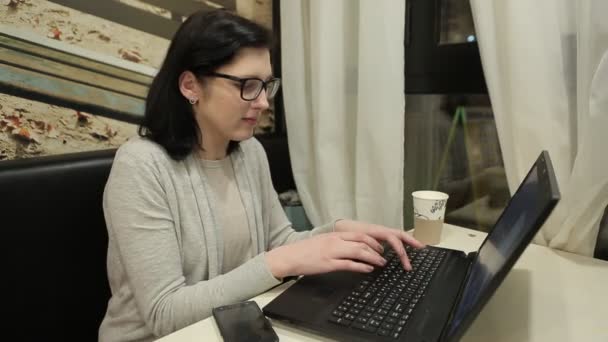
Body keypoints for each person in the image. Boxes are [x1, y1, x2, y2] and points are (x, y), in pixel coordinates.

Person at [98, 9, 423, 342]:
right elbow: (165, 314)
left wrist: (336, 232)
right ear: (190, 85)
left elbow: (279, 242)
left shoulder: (247, 151)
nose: (264, 103)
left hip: (234, 328)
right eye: (248, 85)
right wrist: (280, 261)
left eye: (267, 85)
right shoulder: (141, 166)